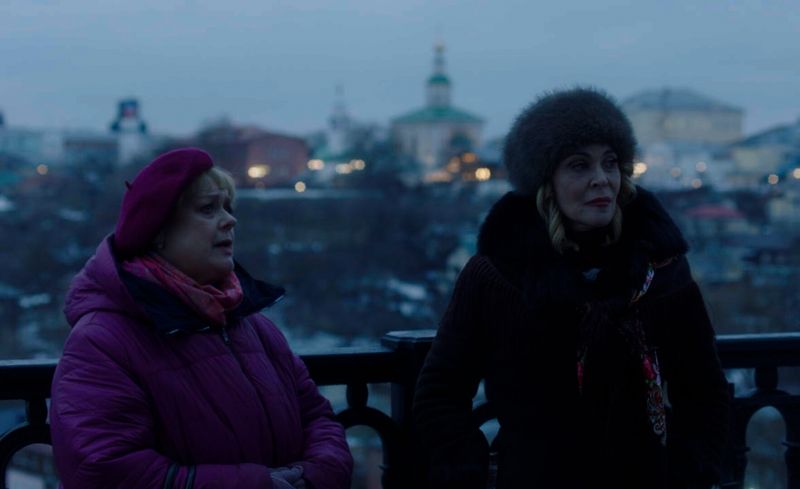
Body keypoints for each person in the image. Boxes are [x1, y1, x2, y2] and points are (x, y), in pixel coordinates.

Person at [413, 88, 730, 489]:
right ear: (545, 180)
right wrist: (470, 469)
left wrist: (689, 470)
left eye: (610, 162)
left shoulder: (661, 269)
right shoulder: (498, 276)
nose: (602, 179)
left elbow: (703, 390)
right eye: (579, 165)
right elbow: (441, 391)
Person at [50, 148, 353, 489]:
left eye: (228, 207)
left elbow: (317, 418)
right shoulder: (101, 342)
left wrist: (314, 475)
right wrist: (256, 485)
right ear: (158, 231)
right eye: (208, 209)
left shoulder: (255, 328)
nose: (230, 221)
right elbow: (107, 470)